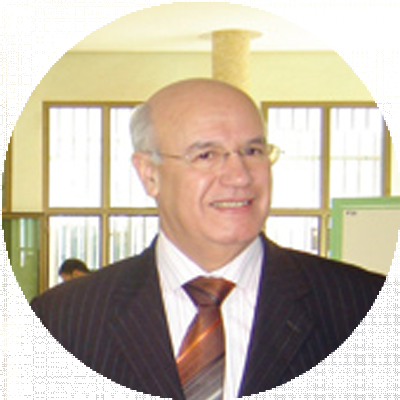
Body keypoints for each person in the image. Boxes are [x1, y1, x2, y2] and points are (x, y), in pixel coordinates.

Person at [21, 78, 400, 400]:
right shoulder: (65, 322)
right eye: (206, 155)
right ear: (149, 173)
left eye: (252, 151)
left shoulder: (367, 309)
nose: (239, 176)